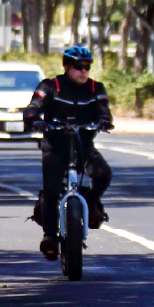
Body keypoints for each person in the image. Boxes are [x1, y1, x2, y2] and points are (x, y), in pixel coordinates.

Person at [23, 44, 114, 260]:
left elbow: (104, 111)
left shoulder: (96, 88)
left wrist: (104, 122)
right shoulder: (50, 86)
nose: (83, 71)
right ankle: (50, 237)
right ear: (66, 67)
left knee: (103, 173)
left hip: (83, 146)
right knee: (52, 191)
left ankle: (91, 203)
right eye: (77, 67)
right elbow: (33, 107)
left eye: (87, 67)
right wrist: (34, 120)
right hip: (55, 146)